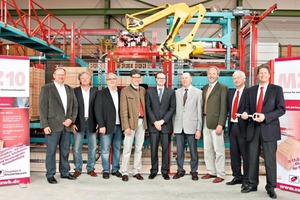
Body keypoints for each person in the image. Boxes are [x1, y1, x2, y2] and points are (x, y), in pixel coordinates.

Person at [241, 65, 285, 199]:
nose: (263, 75)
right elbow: (248, 108)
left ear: (269, 75)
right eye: (261, 73)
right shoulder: (251, 91)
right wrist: (245, 113)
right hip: (253, 129)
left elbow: (281, 109)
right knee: (252, 158)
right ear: (258, 75)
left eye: (265, 73)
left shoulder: (276, 90)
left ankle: (271, 187)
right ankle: (252, 184)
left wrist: (266, 117)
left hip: (269, 129)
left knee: (270, 161)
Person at [39, 67, 78, 184]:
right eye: (59, 74)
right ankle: (50, 174)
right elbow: (42, 107)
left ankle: (65, 172)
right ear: (54, 76)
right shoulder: (47, 89)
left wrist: (71, 120)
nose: (61, 76)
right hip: (52, 125)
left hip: (67, 126)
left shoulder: (69, 89)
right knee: (51, 151)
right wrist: (45, 125)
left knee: (65, 150)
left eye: (63, 75)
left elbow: (75, 106)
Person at [145, 72, 176, 180]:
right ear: (156, 79)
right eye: (159, 78)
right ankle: (153, 171)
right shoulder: (149, 92)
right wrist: (155, 122)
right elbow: (148, 108)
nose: (161, 80)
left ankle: (164, 171)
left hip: (165, 126)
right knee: (153, 149)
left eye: (163, 78)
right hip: (153, 126)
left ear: (165, 80)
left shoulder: (171, 92)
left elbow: (172, 108)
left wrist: (162, 121)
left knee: (165, 150)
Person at [172, 72, 202, 181]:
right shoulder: (176, 92)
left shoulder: (198, 93)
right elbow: (174, 111)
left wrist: (198, 128)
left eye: (186, 78)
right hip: (179, 126)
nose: (184, 80)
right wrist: (173, 127)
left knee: (193, 150)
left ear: (191, 79)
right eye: (183, 78)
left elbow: (199, 112)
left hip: (192, 126)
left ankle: (194, 171)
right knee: (179, 150)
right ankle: (180, 170)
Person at [201, 66, 228, 183]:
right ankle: (211, 171)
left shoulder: (222, 88)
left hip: (216, 123)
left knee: (219, 150)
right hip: (205, 121)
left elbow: (224, 108)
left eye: (213, 74)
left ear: (217, 75)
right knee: (207, 149)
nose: (211, 75)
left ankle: (220, 174)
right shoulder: (205, 88)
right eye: (209, 73)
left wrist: (221, 124)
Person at [120, 69, 147, 182]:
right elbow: (123, 110)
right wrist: (126, 126)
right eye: (134, 77)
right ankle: (124, 172)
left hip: (142, 122)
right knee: (127, 148)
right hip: (131, 124)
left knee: (139, 148)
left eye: (138, 77)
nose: (136, 79)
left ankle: (136, 171)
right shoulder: (125, 91)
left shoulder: (143, 90)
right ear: (131, 78)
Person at [94, 72, 123, 179]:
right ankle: (106, 170)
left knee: (117, 149)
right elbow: (98, 110)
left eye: (114, 79)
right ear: (106, 81)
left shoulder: (121, 92)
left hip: (119, 126)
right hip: (106, 126)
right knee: (105, 150)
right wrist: (101, 125)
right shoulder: (101, 93)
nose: (112, 81)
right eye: (110, 79)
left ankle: (115, 169)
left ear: (117, 80)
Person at [72, 72, 98, 178]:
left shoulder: (95, 91)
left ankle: (90, 168)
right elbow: (71, 107)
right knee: (77, 148)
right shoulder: (74, 91)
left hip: (92, 122)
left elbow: (98, 108)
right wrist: (72, 123)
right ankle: (78, 168)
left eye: (87, 78)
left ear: (90, 80)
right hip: (78, 122)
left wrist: (99, 123)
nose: (85, 80)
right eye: (82, 78)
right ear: (79, 80)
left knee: (92, 148)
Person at [226, 70, 249, 188]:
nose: (236, 80)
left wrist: (246, 112)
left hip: (243, 128)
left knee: (245, 154)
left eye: (238, 78)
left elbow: (250, 107)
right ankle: (237, 176)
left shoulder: (249, 92)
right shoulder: (231, 93)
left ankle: (246, 179)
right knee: (234, 154)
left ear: (244, 79)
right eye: (234, 78)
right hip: (232, 126)